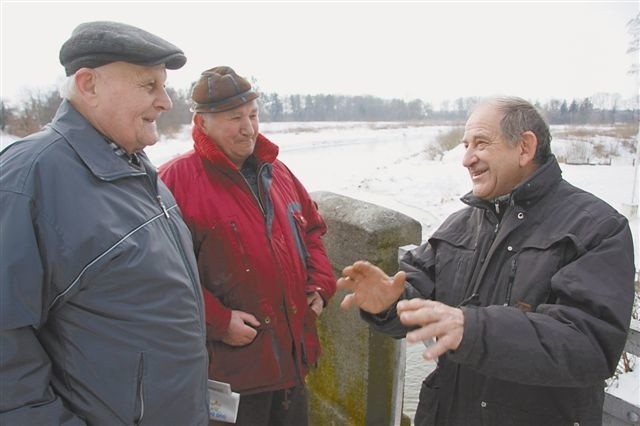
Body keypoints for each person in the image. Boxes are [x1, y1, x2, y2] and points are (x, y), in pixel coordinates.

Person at [337, 96, 636, 426]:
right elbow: (419, 295)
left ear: (524, 147)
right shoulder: (461, 225)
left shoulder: (597, 228)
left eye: (480, 143)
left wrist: (473, 329)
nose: (466, 159)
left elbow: (589, 345)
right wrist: (391, 303)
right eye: (465, 145)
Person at [0, 21, 209, 425]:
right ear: (88, 84)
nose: (166, 101)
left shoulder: (136, 168)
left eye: (164, 86)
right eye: (149, 86)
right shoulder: (29, 178)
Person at [159, 66, 336, 426]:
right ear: (202, 123)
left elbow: (313, 230)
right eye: (234, 118)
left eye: (253, 115)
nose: (248, 128)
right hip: (229, 371)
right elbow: (161, 274)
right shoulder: (175, 180)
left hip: (291, 360)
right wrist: (219, 322)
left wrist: (320, 282)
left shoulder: (278, 172)